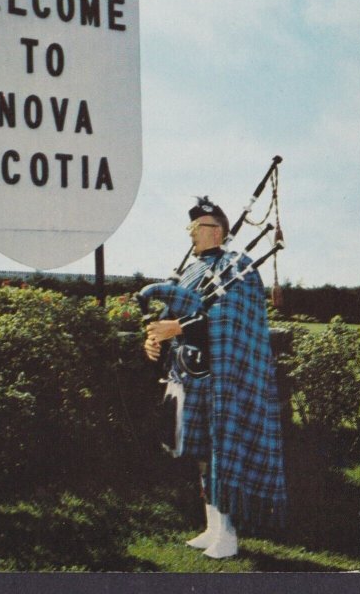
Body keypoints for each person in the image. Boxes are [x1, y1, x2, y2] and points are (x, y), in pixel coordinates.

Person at [143, 196, 287, 559]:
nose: (190, 234)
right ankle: (212, 527)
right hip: (189, 376)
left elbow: (230, 317)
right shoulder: (190, 271)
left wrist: (178, 326)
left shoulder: (239, 265)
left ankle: (229, 534)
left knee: (223, 450)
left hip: (224, 376)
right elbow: (167, 313)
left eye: (195, 227)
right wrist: (153, 337)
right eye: (189, 227)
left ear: (217, 230)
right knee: (202, 453)